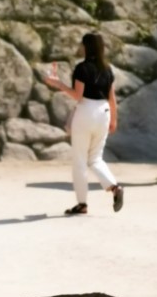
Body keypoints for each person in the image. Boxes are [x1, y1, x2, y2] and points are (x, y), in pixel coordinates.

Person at [45, 32, 124, 216]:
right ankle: (114, 187)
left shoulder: (82, 68)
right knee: (96, 158)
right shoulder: (107, 69)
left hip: (86, 112)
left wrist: (58, 84)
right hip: (103, 112)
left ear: (86, 47)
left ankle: (82, 204)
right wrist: (114, 119)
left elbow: (78, 96)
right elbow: (112, 97)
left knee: (80, 161)